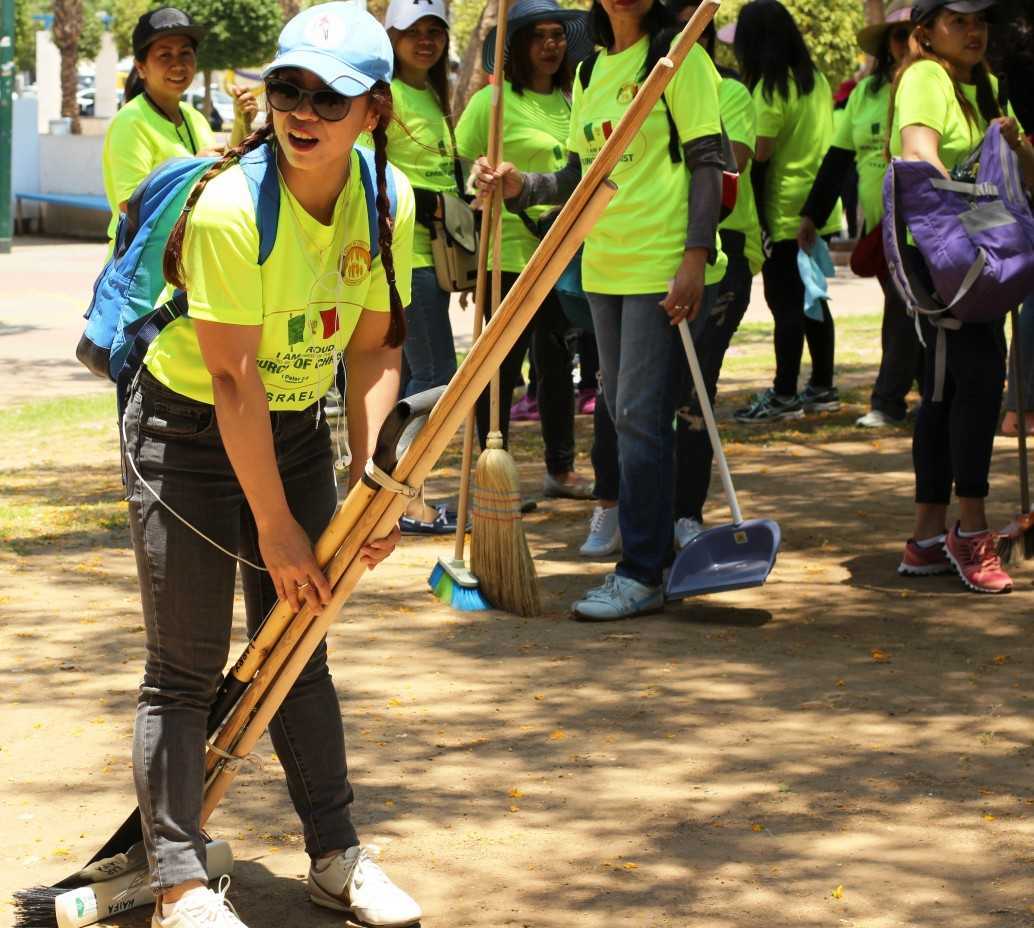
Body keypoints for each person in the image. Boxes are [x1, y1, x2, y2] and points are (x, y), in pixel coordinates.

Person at [122, 4, 422, 926]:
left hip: (291, 428)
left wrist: (372, 482)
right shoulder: (228, 210)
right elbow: (232, 379)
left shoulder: (389, 196)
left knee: (297, 649)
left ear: (374, 109)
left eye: (332, 97)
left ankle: (335, 856)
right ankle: (179, 882)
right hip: (184, 431)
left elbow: (374, 346)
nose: (304, 112)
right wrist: (280, 526)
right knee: (185, 668)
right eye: (289, 89)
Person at [475, 0, 728, 619]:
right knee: (624, 412)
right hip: (602, 269)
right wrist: (521, 186)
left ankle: (642, 571)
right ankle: (651, 561)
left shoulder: (681, 59)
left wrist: (695, 256)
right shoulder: (588, 71)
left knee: (639, 416)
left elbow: (709, 164)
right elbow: (578, 175)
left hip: (659, 266)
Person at [890, 0, 1034, 593]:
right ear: (925, 32)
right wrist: (974, 192)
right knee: (974, 383)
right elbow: (917, 156)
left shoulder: (988, 87)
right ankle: (970, 530)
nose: (974, 31)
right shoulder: (925, 77)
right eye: (959, 21)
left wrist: (1015, 147)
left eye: (980, 21)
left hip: (981, 256)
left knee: (948, 390)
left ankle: (927, 536)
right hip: (943, 259)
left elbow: (1024, 171)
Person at [455, 0, 595, 501]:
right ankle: (492, 475)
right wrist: (478, 179)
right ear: (517, 45)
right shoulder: (490, 103)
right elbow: (461, 168)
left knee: (556, 365)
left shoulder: (575, 100)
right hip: (507, 254)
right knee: (499, 369)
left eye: (557, 35)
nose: (550, 45)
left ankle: (561, 470)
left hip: (562, 254)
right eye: (538, 36)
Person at [798, 0, 924, 429]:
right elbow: (838, 158)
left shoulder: (940, 85)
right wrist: (811, 215)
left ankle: (891, 400)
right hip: (881, 225)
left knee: (905, 309)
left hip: (932, 223)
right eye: (899, 35)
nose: (908, 42)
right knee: (907, 307)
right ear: (887, 44)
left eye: (915, 33)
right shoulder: (866, 93)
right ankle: (927, 396)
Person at [731, 0, 844, 422]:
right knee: (814, 298)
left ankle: (784, 395)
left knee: (786, 305)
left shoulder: (769, 90)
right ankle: (823, 386)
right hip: (818, 208)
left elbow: (759, 153)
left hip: (783, 214)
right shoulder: (816, 81)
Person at [380, 0, 463, 534]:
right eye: (414, 31)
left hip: (436, 255)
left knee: (410, 380)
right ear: (392, 36)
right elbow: (370, 170)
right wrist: (430, 201)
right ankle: (406, 499)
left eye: (435, 30)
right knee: (437, 377)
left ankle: (390, 493)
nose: (426, 40)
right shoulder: (384, 96)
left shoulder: (435, 96)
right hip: (404, 258)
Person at [102, 7, 258, 246]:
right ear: (141, 67)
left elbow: (222, 172)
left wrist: (240, 122)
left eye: (185, 53)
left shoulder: (194, 116)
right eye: (165, 55)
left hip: (188, 260)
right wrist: (192, 169)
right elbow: (130, 208)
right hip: (147, 265)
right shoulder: (130, 121)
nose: (178, 65)